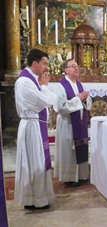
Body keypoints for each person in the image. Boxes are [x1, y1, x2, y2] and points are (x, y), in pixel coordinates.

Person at [14, 48, 56, 210]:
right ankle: (33, 199)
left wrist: (42, 86)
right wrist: (44, 86)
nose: (46, 67)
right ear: (35, 63)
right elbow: (44, 101)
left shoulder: (31, 80)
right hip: (32, 127)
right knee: (34, 162)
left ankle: (39, 199)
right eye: (44, 64)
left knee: (37, 161)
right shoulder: (24, 82)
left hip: (36, 126)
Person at [53, 59, 92, 187]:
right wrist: (79, 98)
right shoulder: (61, 86)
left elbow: (87, 103)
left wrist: (86, 100)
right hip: (67, 123)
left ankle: (81, 175)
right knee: (69, 150)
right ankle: (69, 177)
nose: (76, 68)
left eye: (77, 66)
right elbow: (60, 106)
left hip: (79, 122)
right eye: (73, 66)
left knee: (80, 148)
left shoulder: (79, 84)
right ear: (66, 70)